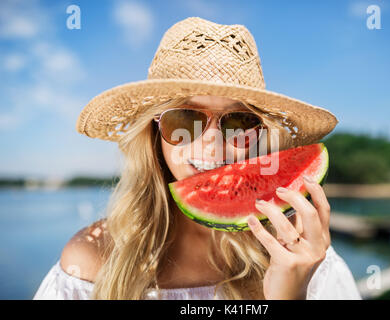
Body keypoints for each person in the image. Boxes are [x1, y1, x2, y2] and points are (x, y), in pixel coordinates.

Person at [33, 17, 361, 300]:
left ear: (260, 136)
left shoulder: (300, 254)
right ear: (153, 131)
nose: (213, 142)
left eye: (240, 122)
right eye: (186, 120)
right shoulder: (90, 261)